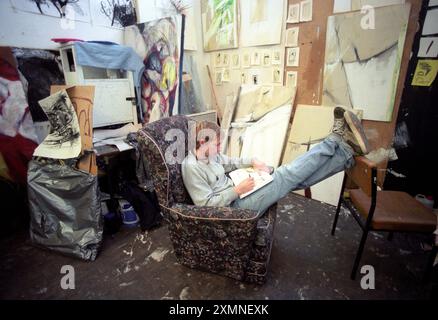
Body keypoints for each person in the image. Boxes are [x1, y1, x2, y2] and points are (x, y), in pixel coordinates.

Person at [181, 107, 370, 214]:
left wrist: (252, 161)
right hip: (234, 207)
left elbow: (231, 162)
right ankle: (334, 140)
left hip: (239, 189)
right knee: (286, 173)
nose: (220, 147)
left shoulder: (210, 154)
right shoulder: (191, 167)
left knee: (296, 179)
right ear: (201, 142)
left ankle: (346, 152)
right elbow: (205, 206)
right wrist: (237, 190)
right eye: (217, 143)